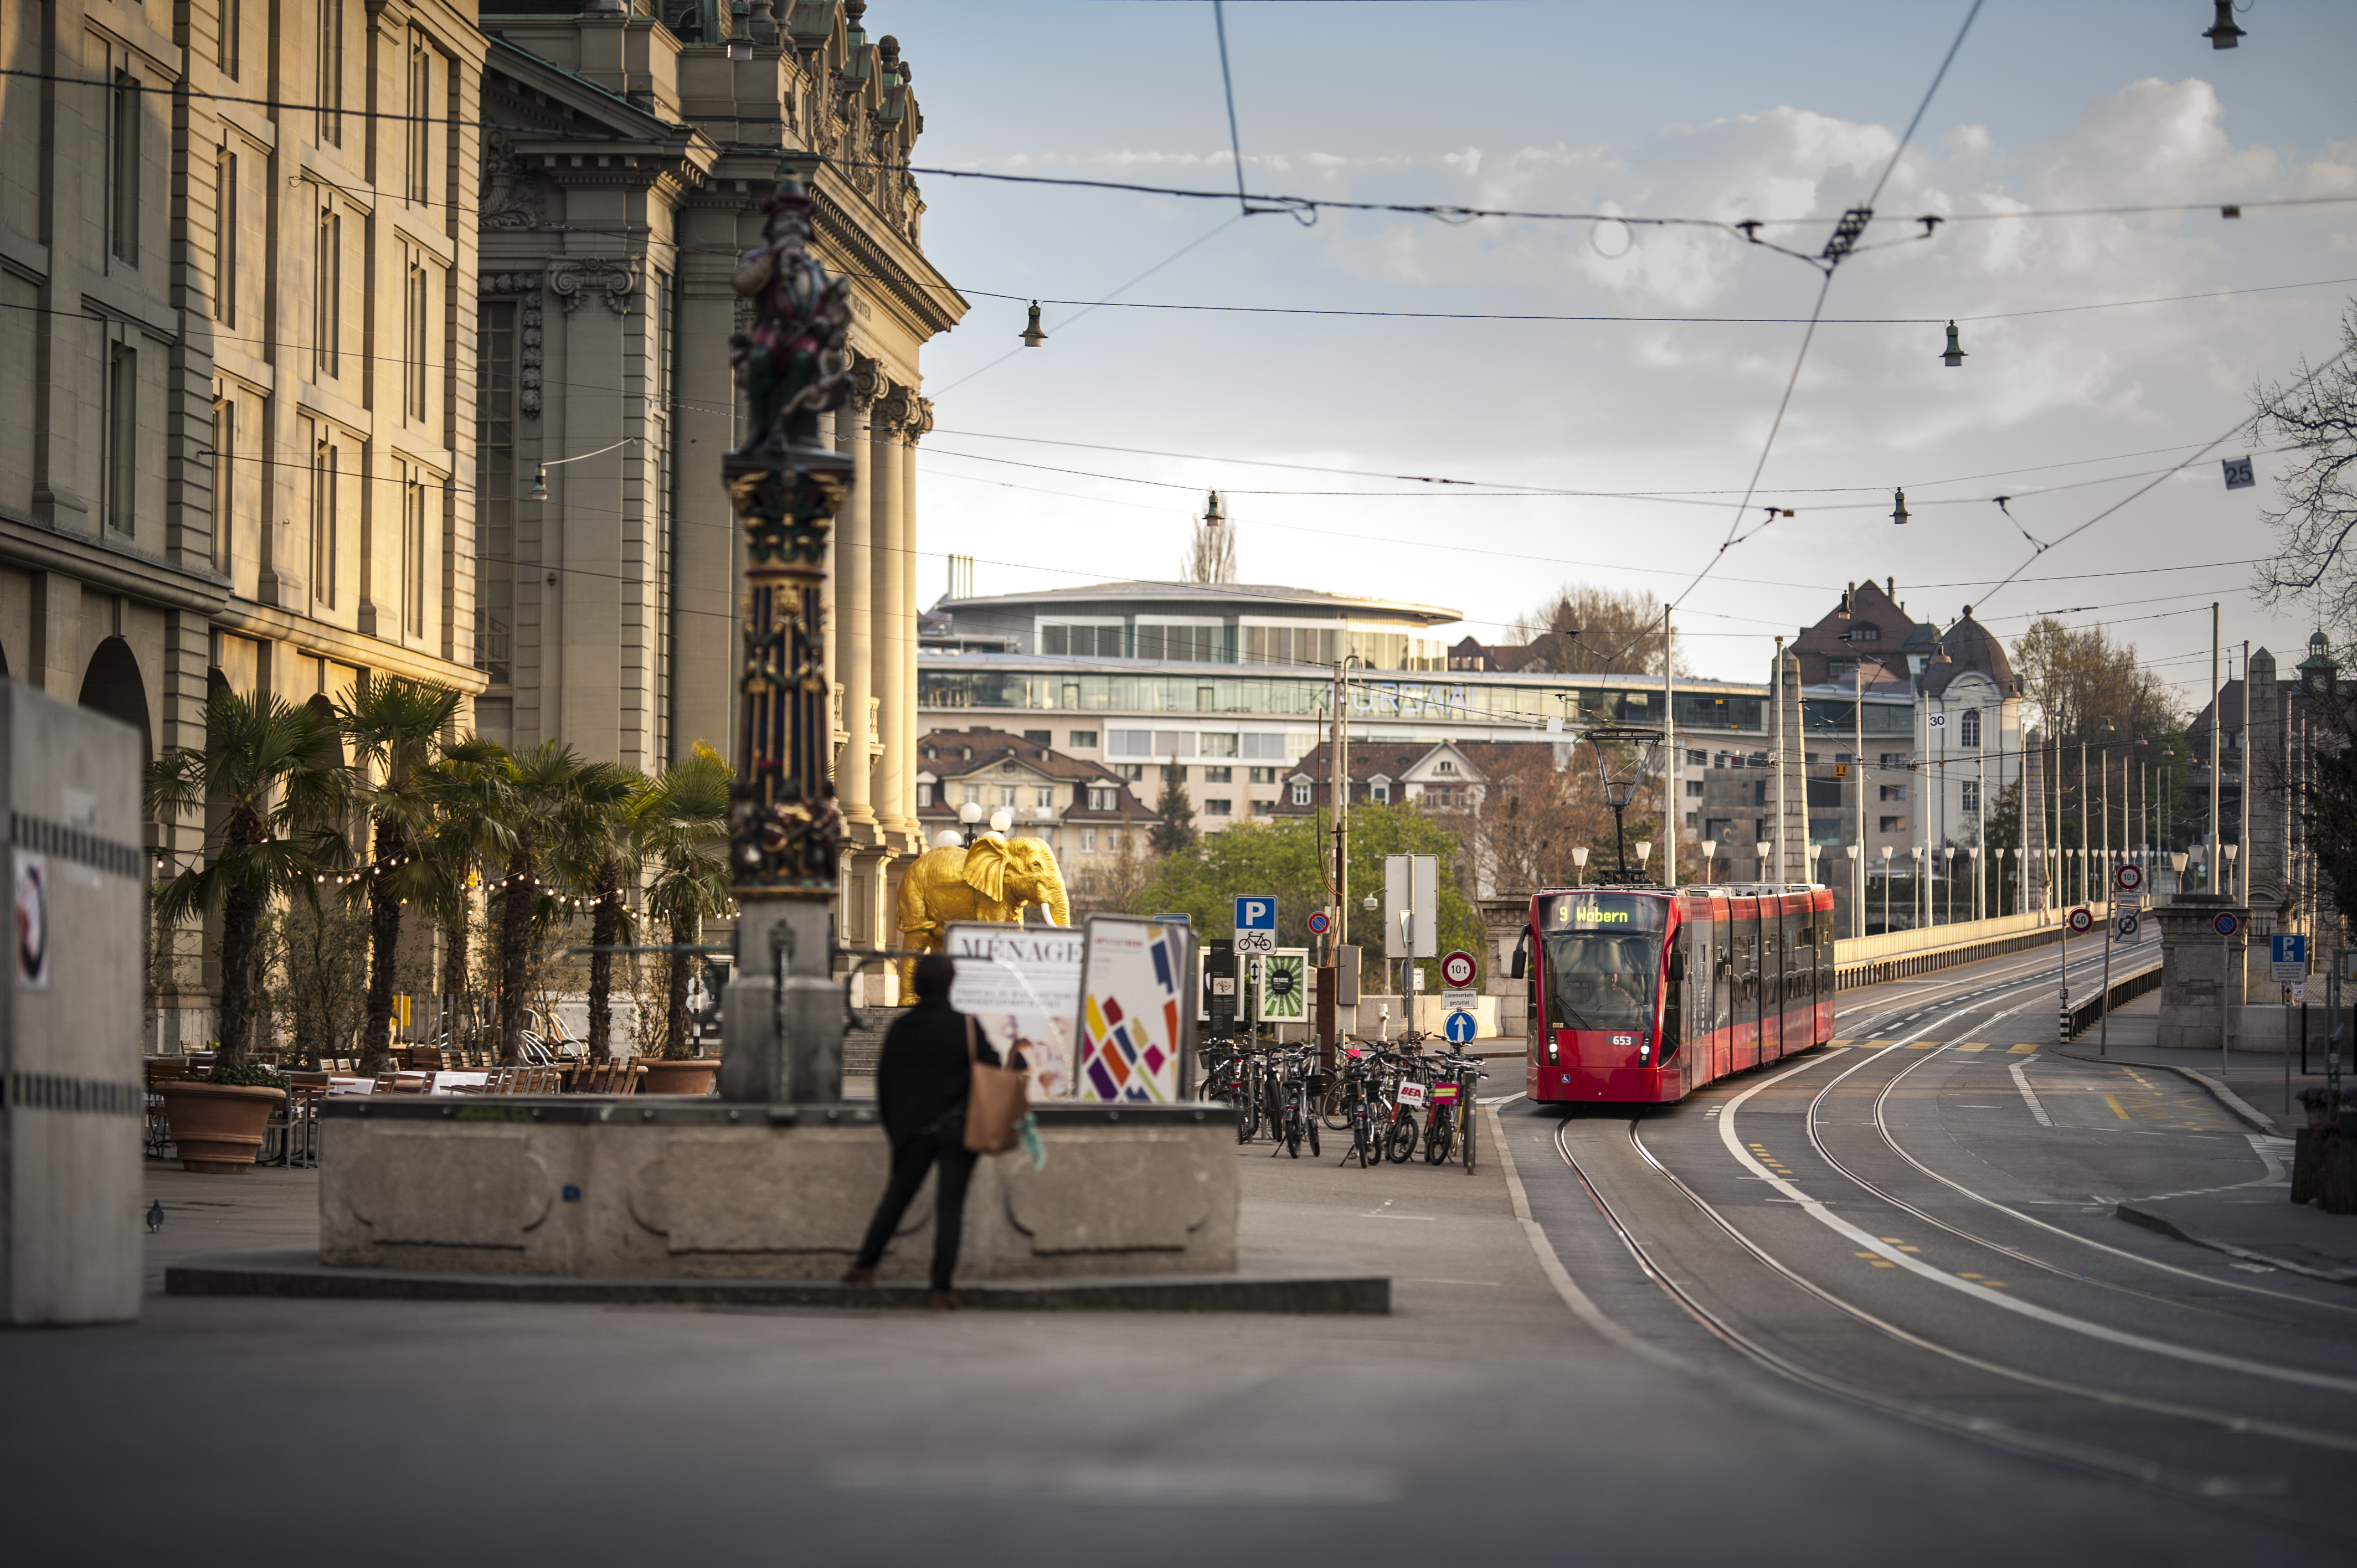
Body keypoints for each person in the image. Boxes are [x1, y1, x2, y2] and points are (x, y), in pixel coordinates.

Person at [841, 952, 999, 1309]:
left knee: (895, 1200)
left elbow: (887, 1085)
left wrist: (899, 1134)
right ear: (951, 985)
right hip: (959, 1133)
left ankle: (864, 1265)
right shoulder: (967, 1026)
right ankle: (940, 1289)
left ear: (915, 986)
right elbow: (993, 1069)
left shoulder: (902, 1028)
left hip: (914, 1134)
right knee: (950, 1208)